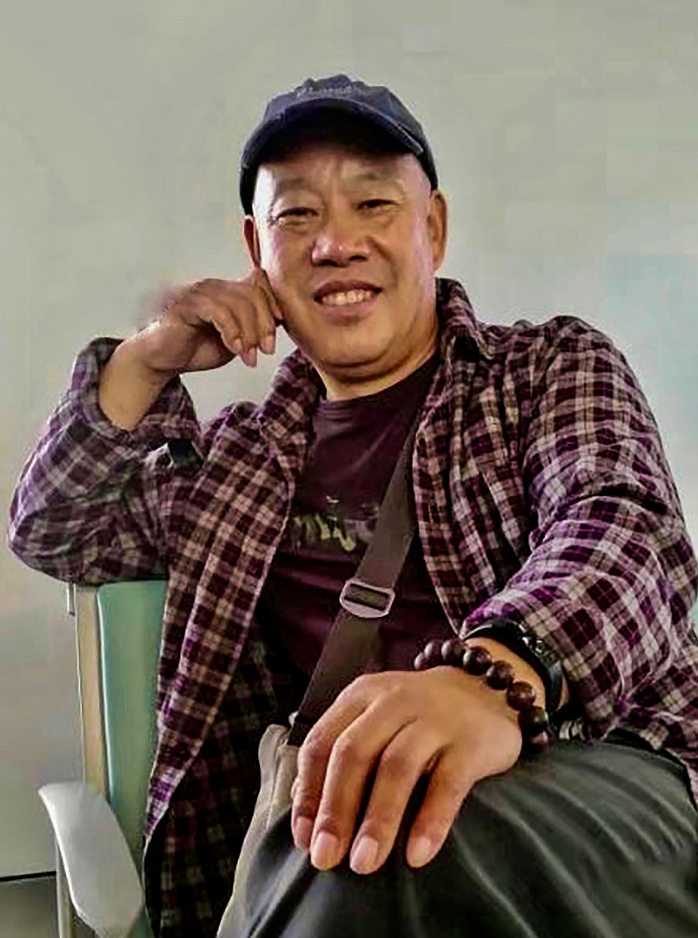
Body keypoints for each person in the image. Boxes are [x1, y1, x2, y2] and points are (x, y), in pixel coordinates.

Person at [7, 74, 698, 938]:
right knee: (352, 835)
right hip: (331, 834)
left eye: (374, 204)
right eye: (297, 216)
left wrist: (493, 678)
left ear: (432, 228)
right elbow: (54, 527)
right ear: (256, 248)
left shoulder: (548, 370)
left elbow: (622, 526)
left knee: (386, 836)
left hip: (595, 773)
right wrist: (145, 361)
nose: (335, 243)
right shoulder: (234, 463)